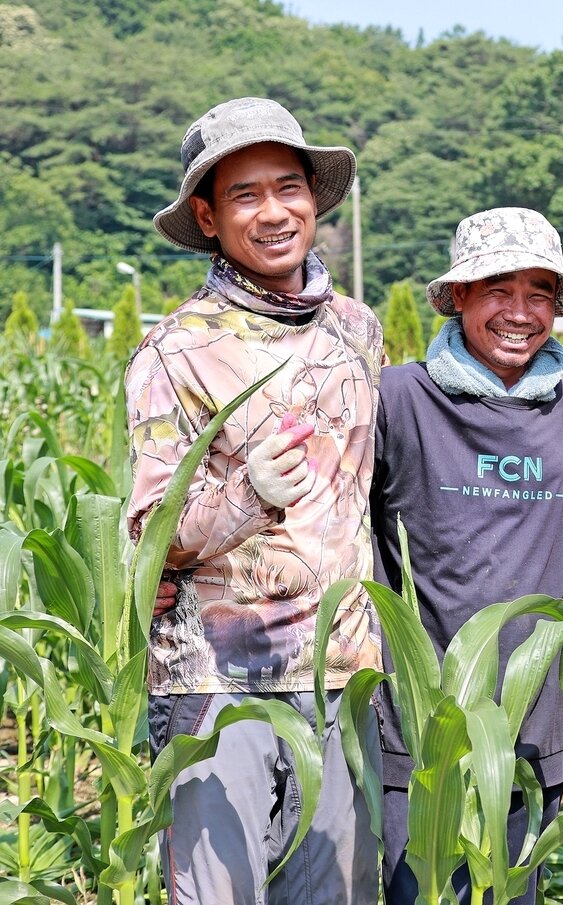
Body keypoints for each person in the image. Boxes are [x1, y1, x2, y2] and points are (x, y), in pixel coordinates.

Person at [126, 97, 382, 903]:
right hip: (216, 688)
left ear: (315, 196)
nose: (273, 212)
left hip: (340, 678)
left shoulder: (357, 329)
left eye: (288, 187)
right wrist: (244, 493)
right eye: (244, 195)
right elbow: (147, 537)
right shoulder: (175, 350)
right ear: (206, 216)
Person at [371, 207, 563, 904]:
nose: (519, 312)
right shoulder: (399, 398)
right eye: (498, 288)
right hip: (420, 734)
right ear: (459, 296)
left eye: (539, 293)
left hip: (531, 733)